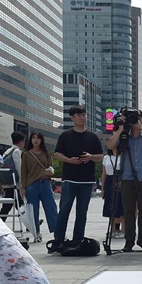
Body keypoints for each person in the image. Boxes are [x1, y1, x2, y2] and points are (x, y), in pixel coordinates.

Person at [52, 106, 103, 250]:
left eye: (84, 115)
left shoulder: (92, 137)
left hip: (87, 180)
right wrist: (69, 160)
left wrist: (90, 157)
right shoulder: (65, 136)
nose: (82, 117)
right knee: (64, 210)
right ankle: (58, 239)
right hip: (70, 179)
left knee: (82, 212)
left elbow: (100, 156)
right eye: (79, 115)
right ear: (72, 117)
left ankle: (78, 239)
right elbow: (57, 154)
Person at [107, 110, 142, 252]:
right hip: (127, 177)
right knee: (128, 210)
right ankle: (129, 240)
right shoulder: (124, 136)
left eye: (137, 118)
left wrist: (141, 126)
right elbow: (111, 146)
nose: (135, 121)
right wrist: (121, 128)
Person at [21, 131, 57, 243]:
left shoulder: (47, 153)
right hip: (32, 184)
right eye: (33, 138)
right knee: (33, 210)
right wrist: (23, 187)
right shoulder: (26, 154)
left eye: (38, 138)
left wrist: (51, 171)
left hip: (45, 183)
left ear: (41, 140)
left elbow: (50, 167)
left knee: (51, 208)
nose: (35, 140)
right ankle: (36, 232)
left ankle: (57, 232)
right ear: (30, 140)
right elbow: (23, 171)